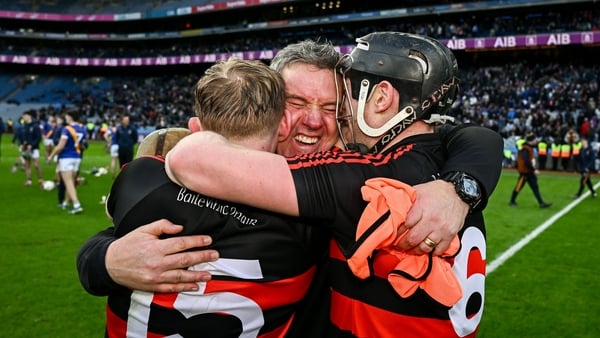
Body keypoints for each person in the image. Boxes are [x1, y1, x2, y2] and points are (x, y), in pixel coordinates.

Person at [77, 37, 502, 337]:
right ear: (268, 107)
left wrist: (461, 186)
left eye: (332, 107)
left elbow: (469, 136)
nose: (314, 121)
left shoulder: (347, 184)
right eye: (296, 103)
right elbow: (114, 242)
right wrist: (108, 260)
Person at [95, 57, 328, 337]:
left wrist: (103, 258)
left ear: (194, 128)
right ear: (282, 126)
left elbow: (112, 216)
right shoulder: (308, 218)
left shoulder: (140, 179)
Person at [47, 109, 87, 214]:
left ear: (70, 117)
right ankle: (66, 202)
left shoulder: (67, 129)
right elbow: (82, 144)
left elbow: (60, 146)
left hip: (66, 157)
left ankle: (76, 204)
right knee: (72, 182)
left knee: (68, 182)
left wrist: (51, 156)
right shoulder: (82, 129)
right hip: (77, 156)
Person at [509, 132, 552, 208]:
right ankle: (512, 201)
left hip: (529, 172)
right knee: (519, 187)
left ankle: (541, 203)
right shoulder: (526, 149)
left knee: (535, 187)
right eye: (535, 139)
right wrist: (534, 169)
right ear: (531, 140)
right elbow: (526, 161)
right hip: (525, 173)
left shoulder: (528, 148)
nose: (536, 140)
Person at [20, 110, 45, 186]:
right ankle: (29, 180)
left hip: (34, 148)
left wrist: (32, 145)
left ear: (29, 116)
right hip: (26, 148)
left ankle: (40, 178)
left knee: (36, 165)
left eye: (24, 116)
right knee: (27, 164)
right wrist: (22, 144)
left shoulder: (35, 126)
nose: (23, 117)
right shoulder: (24, 126)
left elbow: (38, 137)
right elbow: (23, 137)